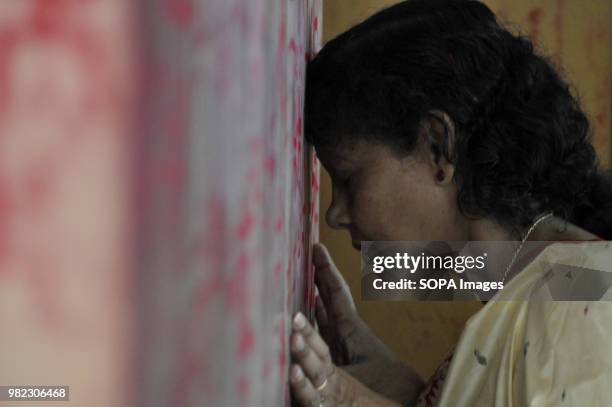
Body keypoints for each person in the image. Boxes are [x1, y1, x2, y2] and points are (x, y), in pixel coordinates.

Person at [288, 0, 612, 405]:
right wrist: (391, 380)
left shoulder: (586, 296)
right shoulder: (521, 273)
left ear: (438, 147)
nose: (334, 215)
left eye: (349, 179)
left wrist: (348, 398)